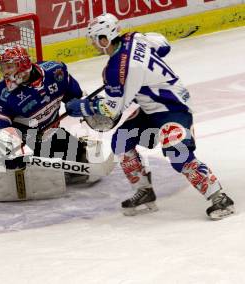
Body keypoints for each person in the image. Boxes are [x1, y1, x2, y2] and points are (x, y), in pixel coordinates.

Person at [65, 13, 235, 220]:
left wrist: (85, 107)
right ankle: (145, 191)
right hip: (151, 107)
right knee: (122, 140)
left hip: (172, 108)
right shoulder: (134, 38)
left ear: (104, 39)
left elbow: (112, 110)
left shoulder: (117, 68)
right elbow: (163, 45)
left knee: (178, 153)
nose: (93, 44)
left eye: (94, 39)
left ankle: (219, 197)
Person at [0, 45, 93, 183]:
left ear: (22, 65)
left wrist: (83, 106)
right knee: (26, 169)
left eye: (9, 67)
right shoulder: (5, 92)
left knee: (77, 154)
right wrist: (8, 145)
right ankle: (12, 166)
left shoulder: (55, 71)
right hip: (25, 144)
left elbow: (75, 95)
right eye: (3, 67)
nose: (5, 72)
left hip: (50, 134)